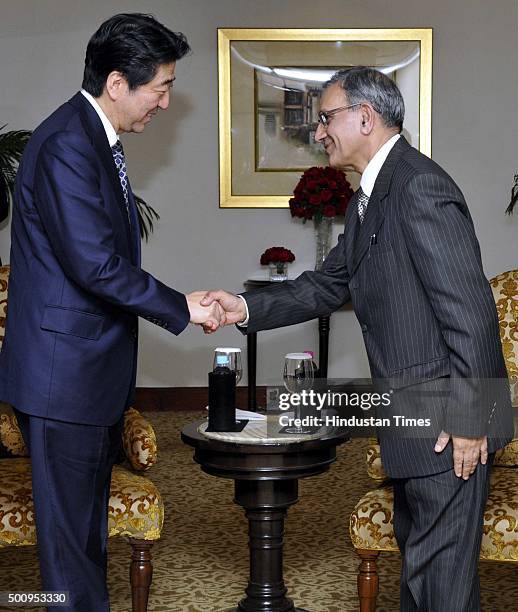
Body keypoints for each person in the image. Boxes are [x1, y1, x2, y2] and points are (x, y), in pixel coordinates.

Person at [201, 67, 514, 611]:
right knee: (422, 575)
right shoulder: (370, 197)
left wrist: (471, 420)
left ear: (364, 117)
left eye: (326, 118)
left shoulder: (419, 186)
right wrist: (244, 306)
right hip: (416, 421)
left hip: (447, 428)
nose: (318, 132)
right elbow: (328, 284)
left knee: (441, 585)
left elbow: (472, 314)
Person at [0, 13, 223, 611]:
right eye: (162, 87)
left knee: (84, 542)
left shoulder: (92, 137)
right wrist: (183, 307)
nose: (167, 103)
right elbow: (94, 265)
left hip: (84, 379)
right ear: (119, 82)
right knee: (70, 553)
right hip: (61, 382)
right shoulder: (68, 143)